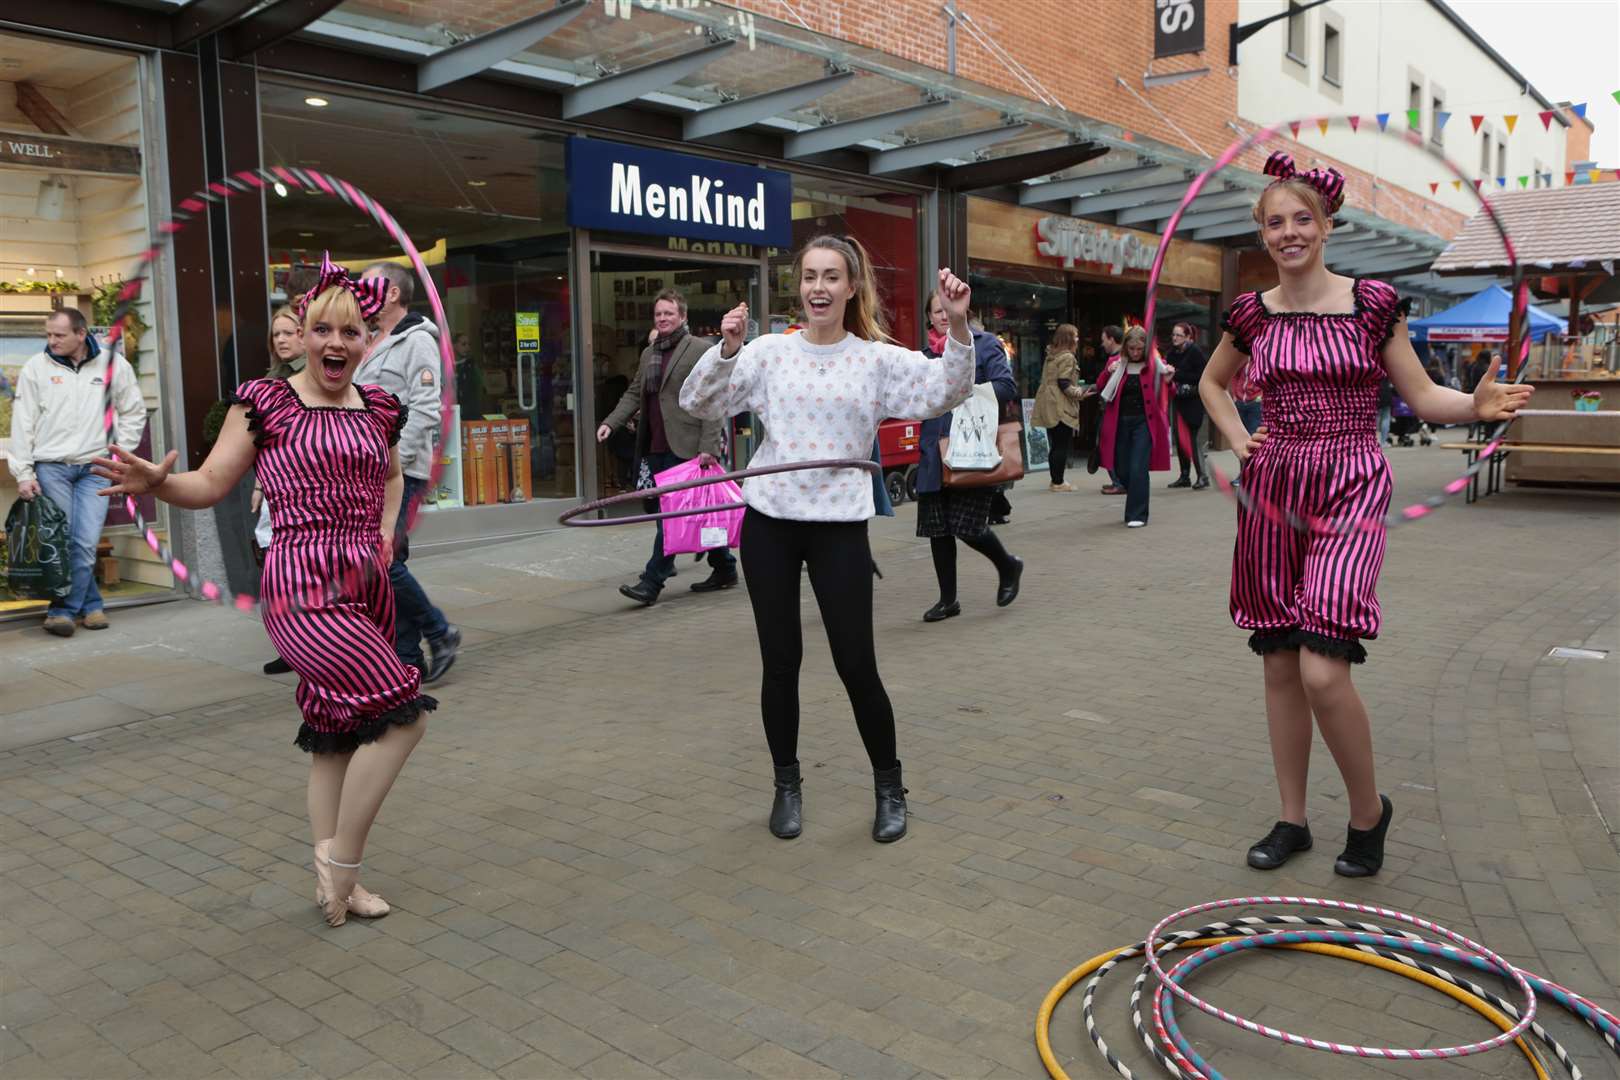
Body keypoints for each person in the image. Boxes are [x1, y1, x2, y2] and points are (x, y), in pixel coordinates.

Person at [1200, 151, 1531, 878]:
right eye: (1275, 222)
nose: (1290, 233)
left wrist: (1471, 406)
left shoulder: (1373, 302)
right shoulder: (1252, 313)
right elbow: (1212, 383)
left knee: (1323, 668)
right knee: (1281, 662)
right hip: (1274, 483)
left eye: (1302, 220)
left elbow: (1420, 396)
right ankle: (1292, 819)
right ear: (1262, 233)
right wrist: (1236, 439)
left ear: (1326, 226)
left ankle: (1368, 813)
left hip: (1351, 477)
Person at [93, 258, 443, 925]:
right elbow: (209, 482)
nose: (336, 343)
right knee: (406, 713)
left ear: (367, 340)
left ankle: (334, 874)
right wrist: (159, 484)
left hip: (366, 581)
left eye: (351, 332)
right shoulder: (265, 402)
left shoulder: (379, 409)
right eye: (322, 330)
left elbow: (393, 478)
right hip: (302, 584)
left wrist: (388, 532)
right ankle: (340, 863)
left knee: (339, 730)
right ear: (302, 334)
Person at [680, 236, 974, 844]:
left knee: (856, 664)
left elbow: (946, 389)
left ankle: (890, 789)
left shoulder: (874, 361)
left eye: (831, 277)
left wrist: (962, 321)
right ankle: (787, 785)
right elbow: (696, 401)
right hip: (771, 523)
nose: (819, 288)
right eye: (810, 276)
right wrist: (726, 349)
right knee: (780, 663)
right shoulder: (767, 354)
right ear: (800, 285)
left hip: (840, 526)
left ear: (851, 287)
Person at [8, 308, 146, 637]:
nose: (51, 341)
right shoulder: (35, 368)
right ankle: (88, 606)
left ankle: (64, 610)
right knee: (64, 541)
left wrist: (120, 456)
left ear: (81, 334)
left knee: (84, 542)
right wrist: (24, 472)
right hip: (52, 467)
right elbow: (22, 422)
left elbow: (133, 410)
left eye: (59, 335)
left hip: (96, 467)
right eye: (48, 334)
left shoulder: (114, 366)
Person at [357, 262, 461, 684]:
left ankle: (438, 631)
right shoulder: (371, 340)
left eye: (367, 286)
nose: (359, 292)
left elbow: (423, 406)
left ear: (393, 293)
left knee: (381, 560)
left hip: (399, 470)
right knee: (388, 558)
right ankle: (407, 654)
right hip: (369, 470)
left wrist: (392, 459)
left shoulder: (417, 341)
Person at [598, 288, 737, 605]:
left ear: (683, 316)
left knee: (671, 515)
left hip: (686, 446)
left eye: (668, 314)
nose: (662, 318)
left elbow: (712, 398)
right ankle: (725, 567)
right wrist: (611, 422)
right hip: (655, 445)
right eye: (658, 314)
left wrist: (708, 446)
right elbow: (635, 394)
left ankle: (652, 581)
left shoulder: (700, 349)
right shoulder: (650, 354)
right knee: (688, 512)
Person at [914, 289, 1024, 624]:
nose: (943, 316)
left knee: (967, 526)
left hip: (972, 447)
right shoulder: (923, 356)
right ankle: (948, 600)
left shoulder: (985, 343)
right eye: (936, 311)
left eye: (947, 309)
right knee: (937, 529)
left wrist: (964, 391)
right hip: (934, 449)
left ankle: (1008, 564)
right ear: (929, 317)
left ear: (961, 310)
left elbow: (1006, 386)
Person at [255, 305, 305, 676]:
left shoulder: (317, 378)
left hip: (308, 491)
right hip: (277, 488)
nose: (282, 340)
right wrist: (259, 482)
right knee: (277, 572)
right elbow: (265, 440)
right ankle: (292, 647)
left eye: (289, 332)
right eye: (277, 334)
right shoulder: (273, 379)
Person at [1095, 326, 1172, 528]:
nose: (1135, 353)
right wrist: (1107, 372)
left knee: (1138, 468)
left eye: (1139, 349)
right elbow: (1101, 386)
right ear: (1126, 348)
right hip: (1119, 423)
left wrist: (1169, 379)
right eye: (1131, 349)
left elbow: (1167, 393)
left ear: (1145, 348)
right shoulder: (1116, 363)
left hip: (1144, 424)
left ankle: (1136, 514)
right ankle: (1137, 495)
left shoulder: (1157, 365)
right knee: (1120, 468)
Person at [1031, 323, 1084, 492]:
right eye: (1075, 336)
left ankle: (1056, 480)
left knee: (1055, 443)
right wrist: (1079, 393)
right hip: (1060, 403)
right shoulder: (1067, 357)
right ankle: (1058, 482)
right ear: (1068, 338)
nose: (1077, 339)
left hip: (1047, 402)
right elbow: (1064, 383)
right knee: (1061, 444)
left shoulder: (1051, 355)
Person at [1166, 322, 1210, 490]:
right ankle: (1184, 476)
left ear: (1187, 337)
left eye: (1178, 335)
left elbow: (1201, 376)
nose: (1175, 338)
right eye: (1173, 335)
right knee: (1179, 438)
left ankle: (1202, 476)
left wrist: (1176, 374)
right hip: (1178, 399)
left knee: (1191, 439)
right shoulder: (1171, 354)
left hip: (1192, 401)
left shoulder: (1195, 352)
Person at [1096, 326, 1128, 495]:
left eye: (1103, 340)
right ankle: (1119, 481)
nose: (1102, 344)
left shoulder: (1113, 361)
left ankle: (1118, 482)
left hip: (1112, 411)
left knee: (1108, 446)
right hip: (1120, 411)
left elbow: (1102, 385)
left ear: (1111, 339)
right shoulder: (1124, 358)